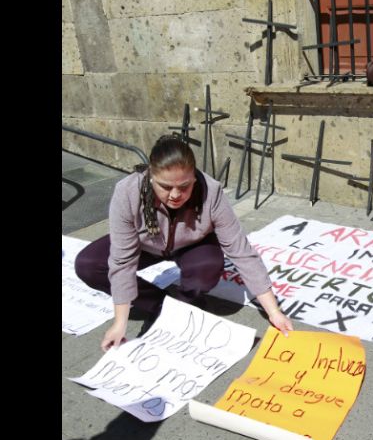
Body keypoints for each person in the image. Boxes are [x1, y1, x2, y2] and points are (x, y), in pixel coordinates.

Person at [75, 134, 293, 352]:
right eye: (166, 187)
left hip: (193, 244)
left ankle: (184, 302)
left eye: (185, 186)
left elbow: (241, 252)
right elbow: (123, 262)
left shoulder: (211, 191)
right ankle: (161, 305)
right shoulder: (127, 192)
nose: (175, 195)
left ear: (195, 178)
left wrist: (273, 312)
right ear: (151, 175)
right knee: (88, 264)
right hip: (145, 244)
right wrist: (120, 323)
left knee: (206, 269)